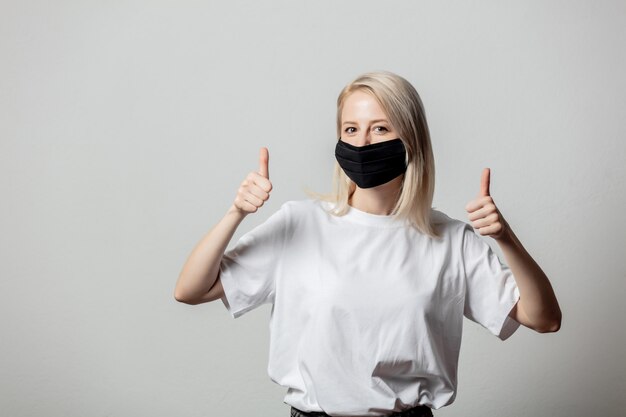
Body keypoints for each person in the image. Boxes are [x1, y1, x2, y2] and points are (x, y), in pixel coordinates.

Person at [174, 70, 562, 417]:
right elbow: (191, 290)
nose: (363, 142)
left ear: (410, 138)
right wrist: (236, 213)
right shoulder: (300, 223)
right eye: (351, 129)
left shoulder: (450, 239)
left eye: (380, 128)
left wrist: (504, 238)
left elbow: (544, 319)